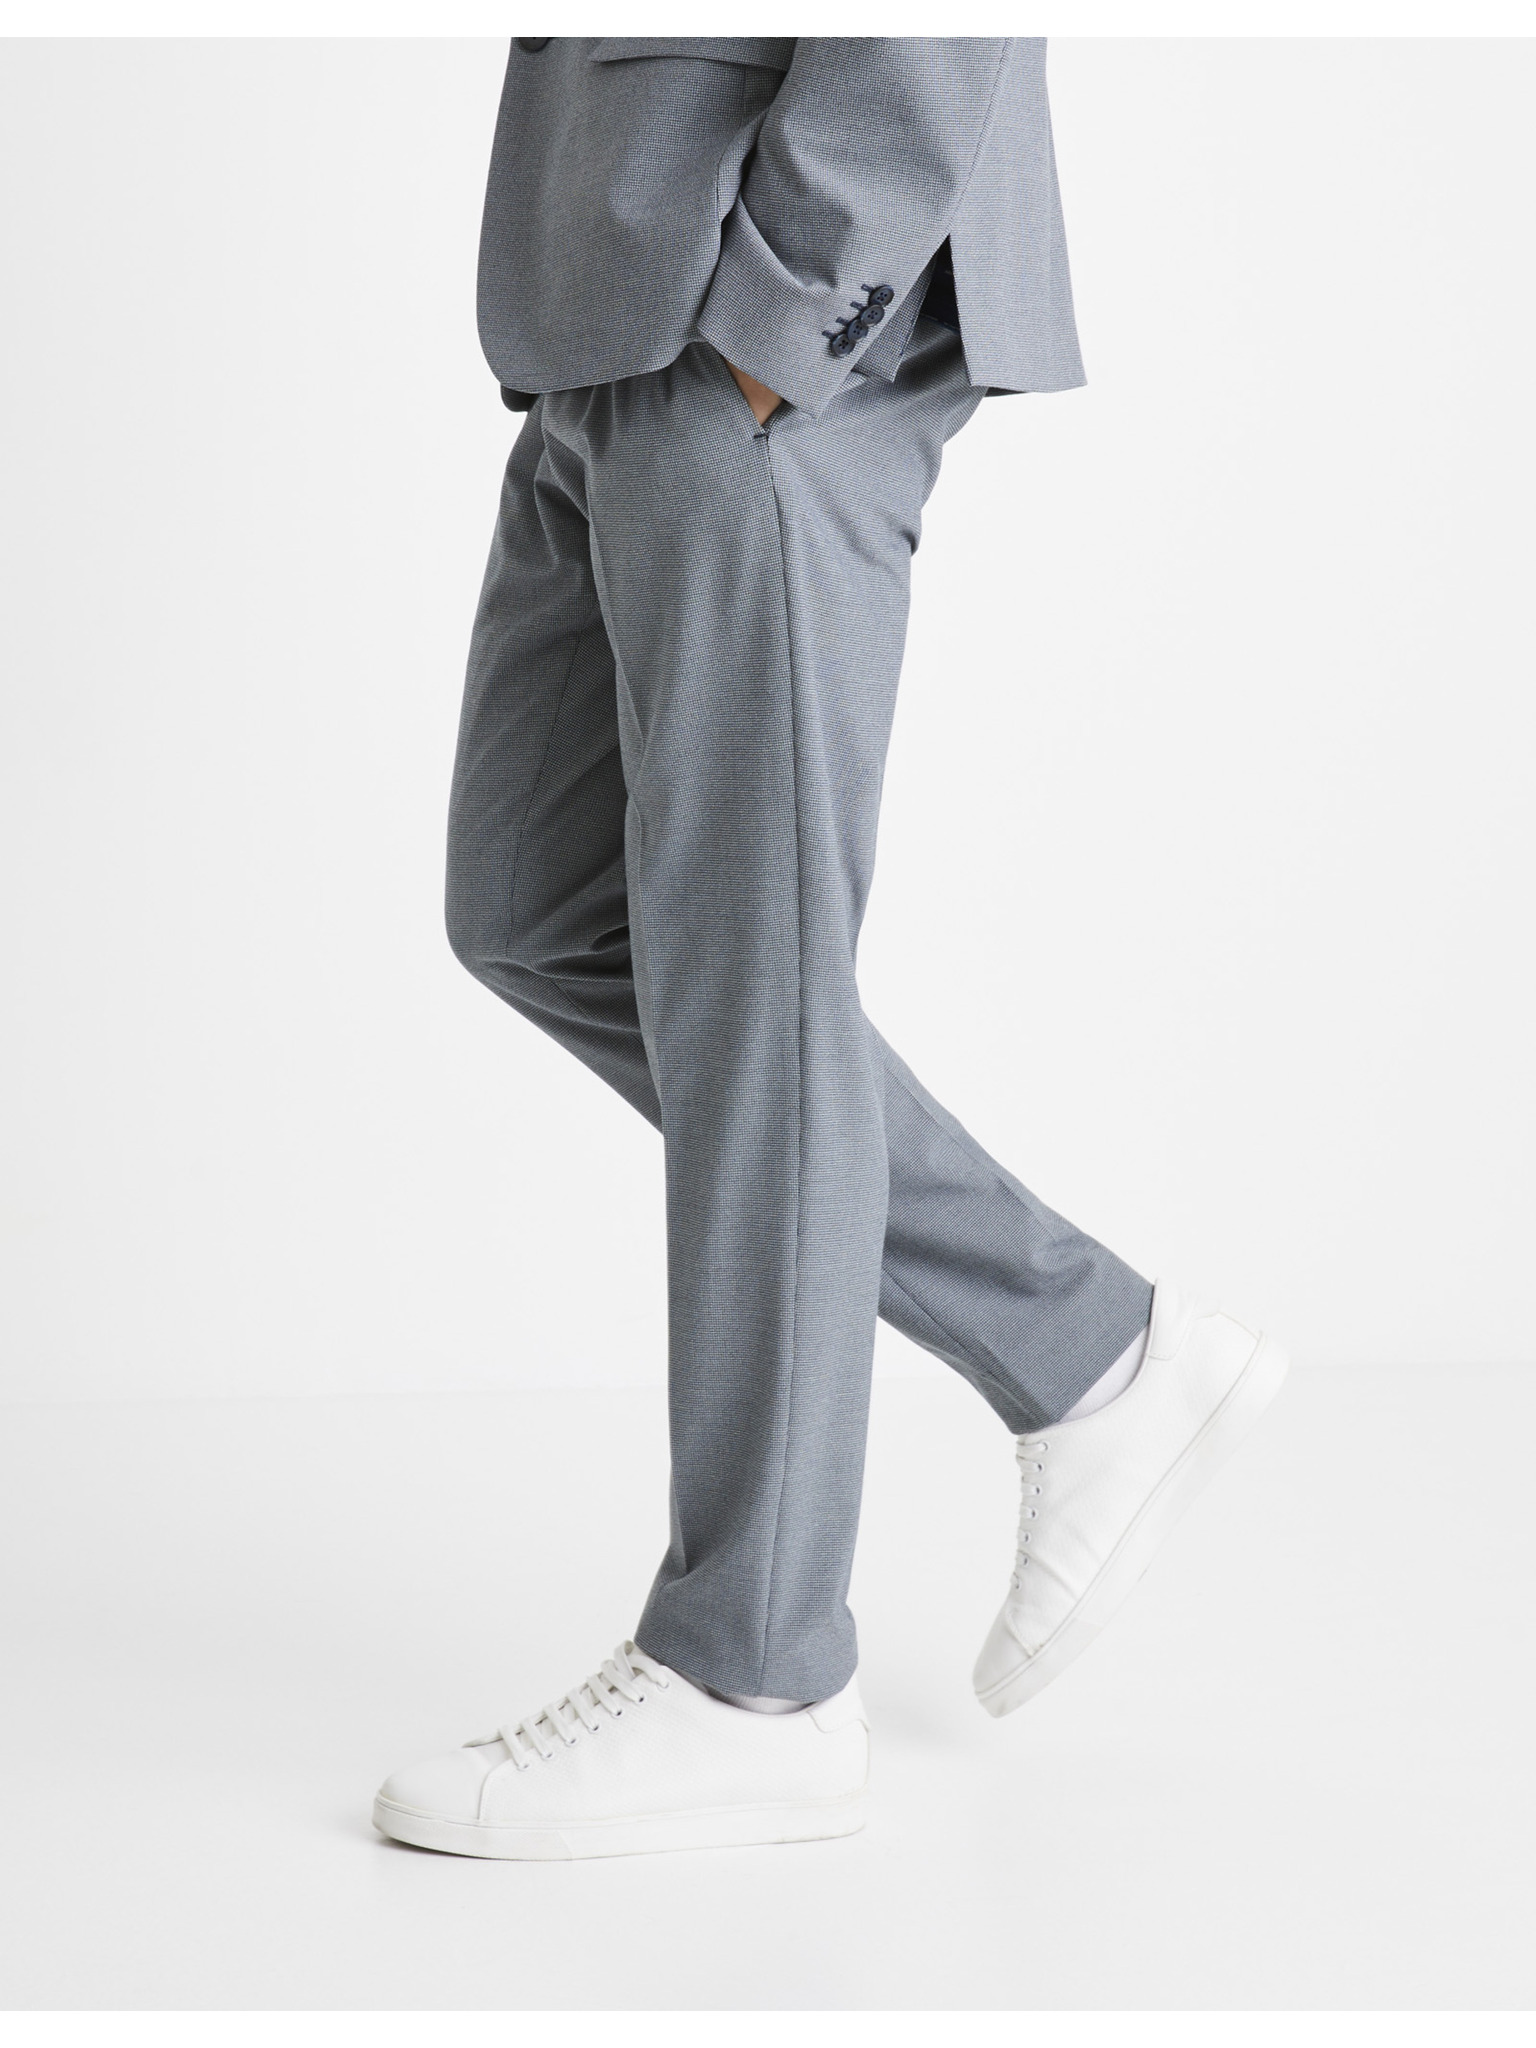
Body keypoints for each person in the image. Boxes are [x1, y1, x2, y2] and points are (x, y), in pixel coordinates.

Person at [372, 36, 1286, 1863]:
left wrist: (785, 306)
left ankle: (752, 1674)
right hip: (617, 300)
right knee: (538, 911)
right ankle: (1091, 1352)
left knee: (751, 986)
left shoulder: (769, 320)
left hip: (751, 303)